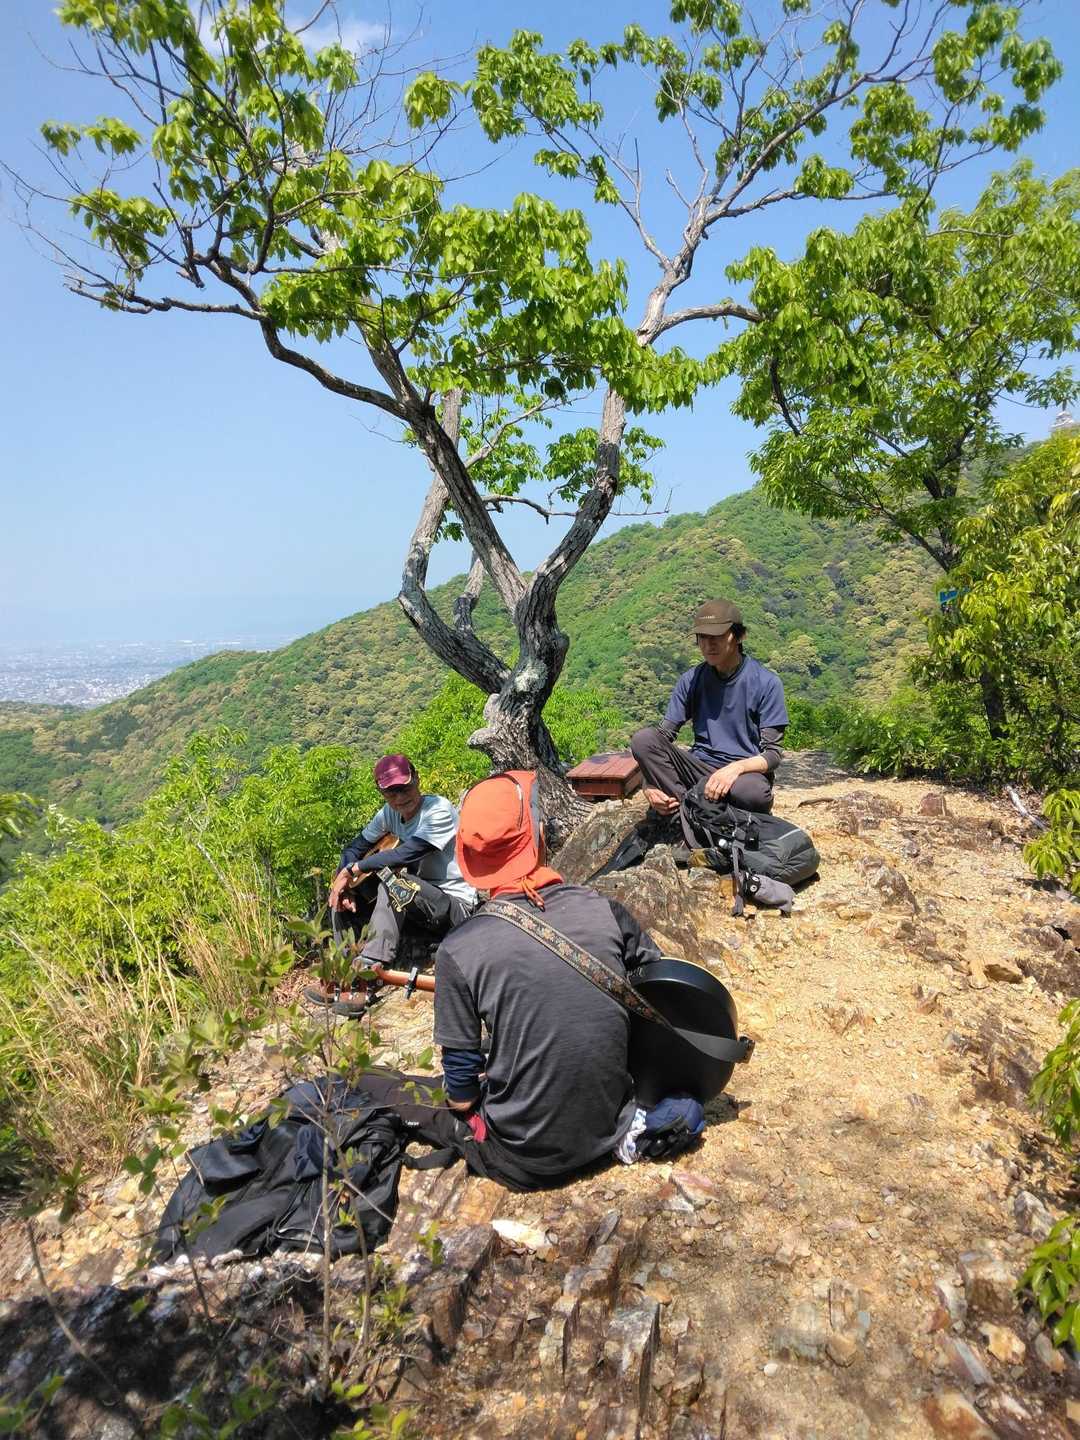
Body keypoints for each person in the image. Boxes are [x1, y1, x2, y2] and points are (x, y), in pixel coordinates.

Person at [430, 769, 662, 1190]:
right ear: (539, 836)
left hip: (525, 1161)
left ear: (468, 857)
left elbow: (462, 1095)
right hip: (612, 1123)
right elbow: (660, 987)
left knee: (398, 1094)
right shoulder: (603, 909)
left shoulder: (458, 949)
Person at [305, 753, 476, 1014]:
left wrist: (355, 868)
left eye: (404, 788)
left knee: (392, 881)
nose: (399, 797)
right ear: (382, 793)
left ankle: (369, 974)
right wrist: (344, 880)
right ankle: (343, 970)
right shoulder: (389, 814)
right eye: (391, 792)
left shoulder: (438, 810)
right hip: (419, 907)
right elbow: (354, 847)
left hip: (453, 906)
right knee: (342, 893)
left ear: (417, 779)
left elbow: (408, 853)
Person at [631, 599, 787, 817]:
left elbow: (772, 754)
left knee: (754, 794)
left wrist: (735, 769)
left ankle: (691, 805)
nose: (708, 645)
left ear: (739, 636)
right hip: (698, 767)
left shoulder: (766, 682)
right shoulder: (691, 680)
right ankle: (691, 808)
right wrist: (649, 784)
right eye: (702, 637)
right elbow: (662, 736)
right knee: (643, 739)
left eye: (718, 636)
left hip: (741, 775)